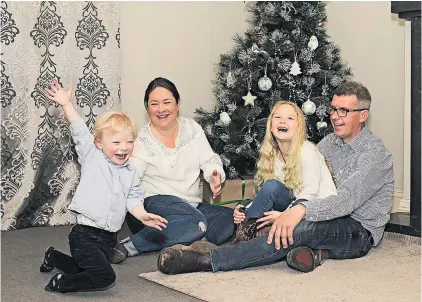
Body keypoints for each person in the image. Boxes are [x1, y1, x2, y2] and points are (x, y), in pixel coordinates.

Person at [157, 81, 394, 275]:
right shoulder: (328, 143)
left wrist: (297, 212)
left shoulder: (375, 155)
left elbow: (345, 201)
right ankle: (311, 253)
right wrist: (262, 207)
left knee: (297, 228)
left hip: (357, 230)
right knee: (284, 203)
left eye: (344, 111)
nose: (335, 117)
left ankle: (206, 260)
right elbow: (298, 185)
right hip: (321, 211)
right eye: (333, 109)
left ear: (363, 115)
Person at [40, 81, 167, 293]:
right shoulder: (92, 158)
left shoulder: (131, 173)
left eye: (129, 142)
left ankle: (53, 256)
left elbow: (133, 199)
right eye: (116, 142)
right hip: (84, 235)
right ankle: (63, 283)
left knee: (82, 267)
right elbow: (80, 131)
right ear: (99, 143)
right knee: (105, 277)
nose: (124, 148)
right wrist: (66, 104)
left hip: (109, 239)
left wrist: (143, 215)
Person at [110, 77, 235, 264]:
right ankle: (129, 246)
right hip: (154, 205)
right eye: (154, 104)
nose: (161, 109)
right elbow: (129, 181)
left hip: (191, 205)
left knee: (227, 217)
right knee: (195, 222)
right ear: (148, 108)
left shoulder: (192, 128)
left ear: (178, 104)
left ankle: (193, 246)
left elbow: (209, 159)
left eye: (167, 102)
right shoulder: (140, 140)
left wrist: (214, 173)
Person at [231, 101, 337, 244]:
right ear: (271, 125)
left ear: (298, 127)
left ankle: (245, 240)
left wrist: (285, 215)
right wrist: (244, 209)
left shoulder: (307, 151)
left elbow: (311, 193)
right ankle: (246, 233)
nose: (282, 121)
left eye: (290, 118)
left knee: (273, 189)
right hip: (295, 204)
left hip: (317, 210)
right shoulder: (273, 155)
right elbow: (270, 193)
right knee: (272, 186)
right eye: (278, 117)